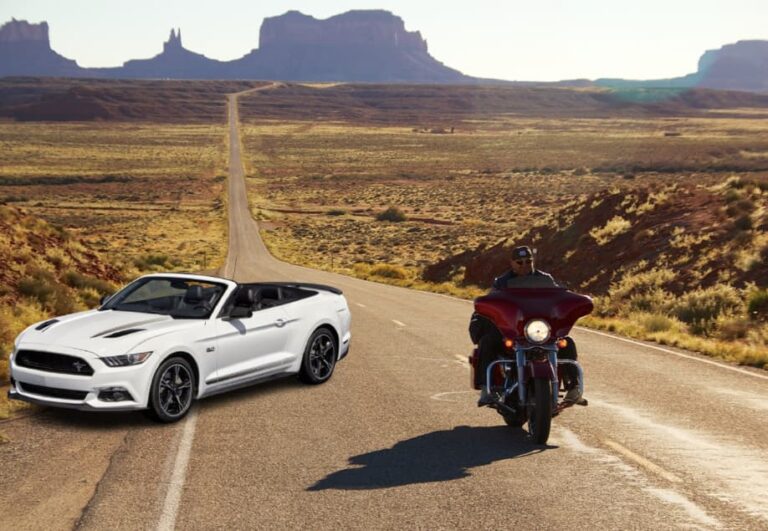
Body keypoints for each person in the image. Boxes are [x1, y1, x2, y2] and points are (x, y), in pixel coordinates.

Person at [471, 245, 581, 406]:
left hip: (539, 330)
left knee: (566, 342)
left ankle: (574, 387)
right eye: (519, 262)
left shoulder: (545, 280)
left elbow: (559, 296)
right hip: (512, 330)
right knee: (488, 341)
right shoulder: (502, 282)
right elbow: (492, 302)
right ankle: (487, 389)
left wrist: (572, 301)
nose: (524, 265)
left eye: (528, 261)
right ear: (512, 263)